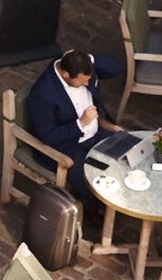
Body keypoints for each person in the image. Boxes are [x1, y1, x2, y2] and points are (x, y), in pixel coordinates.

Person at [24, 48, 119, 208]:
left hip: (95, 134)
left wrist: (88, 59)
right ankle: (96, 209)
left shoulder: (82, 70)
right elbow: (48, 136)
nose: (87, 84)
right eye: (81, 82)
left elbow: (118, 68)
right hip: (68, 148)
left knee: (125, 153)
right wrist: (80, 123)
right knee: (93, 186)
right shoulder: (43, 94)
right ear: (65, 74)